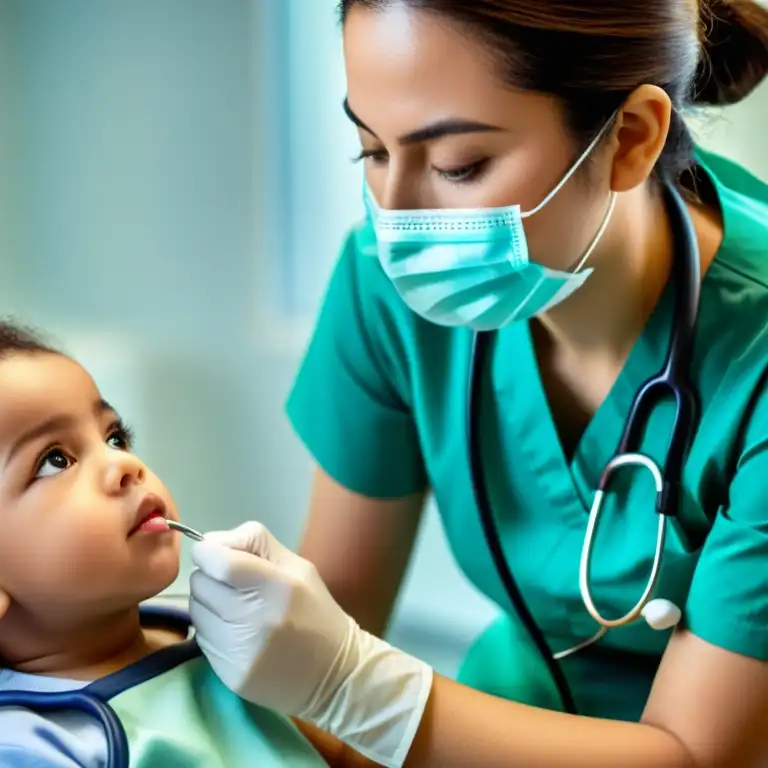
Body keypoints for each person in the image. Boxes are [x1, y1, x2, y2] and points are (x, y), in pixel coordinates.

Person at [187, 0, 768, 766]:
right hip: (493, 719)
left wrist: (356, 691)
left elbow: (698, 756)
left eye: (457, 164)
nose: (395, 217)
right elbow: (336, 624)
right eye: (371, 150)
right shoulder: (379, 285)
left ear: (630, 138)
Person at [0, 308, 380, 767]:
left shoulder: (217, 640)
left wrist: (338, 673)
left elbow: (352, 754)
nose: (123, 466)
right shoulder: (26, 747)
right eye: (54, 461)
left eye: (114, 436)